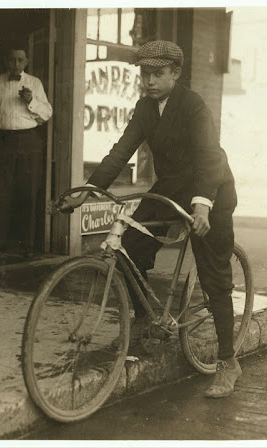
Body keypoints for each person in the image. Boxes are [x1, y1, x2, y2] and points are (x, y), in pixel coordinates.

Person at [61, 40, 240, 399]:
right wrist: (89, 189)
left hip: (211, 190)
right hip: (170, 188)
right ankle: (146, 321)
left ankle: (227, 361)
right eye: (145, 74)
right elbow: (121, 149)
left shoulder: (194, 106)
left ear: (176, 73)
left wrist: (202, 205)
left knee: (213, 274)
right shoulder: (145, 108)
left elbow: (209, 157)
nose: (150, 81)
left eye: (158, 74)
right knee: (130, 248)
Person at [0, 42, 53, 258]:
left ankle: (27, 244)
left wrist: (31, 102)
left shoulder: (34, 83)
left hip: (28, 140)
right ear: (6, 61)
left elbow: (47, 114)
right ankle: (0, 242)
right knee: (1, 192)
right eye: (12, 59)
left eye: (20, 60)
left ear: (26, 62)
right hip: (2, 140)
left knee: (28, 192)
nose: (16, 64)